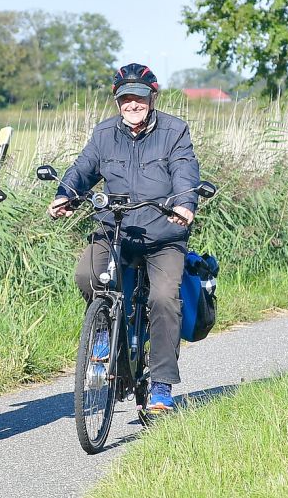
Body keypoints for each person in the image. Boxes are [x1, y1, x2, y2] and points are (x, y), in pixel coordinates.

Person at [47, 63, 200, 412]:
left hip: (163, 232)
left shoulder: (174, 131)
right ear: (117, 101)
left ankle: (161, 384)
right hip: (115, 228)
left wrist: (184, 203)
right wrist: (65, 194)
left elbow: (185, 169)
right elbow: (83, 168)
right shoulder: (104, 133)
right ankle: (104, 332)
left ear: (152, 98)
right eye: (126, 98)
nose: (133, 104)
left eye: (140, 98)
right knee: (87, 274)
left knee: (163, 299)